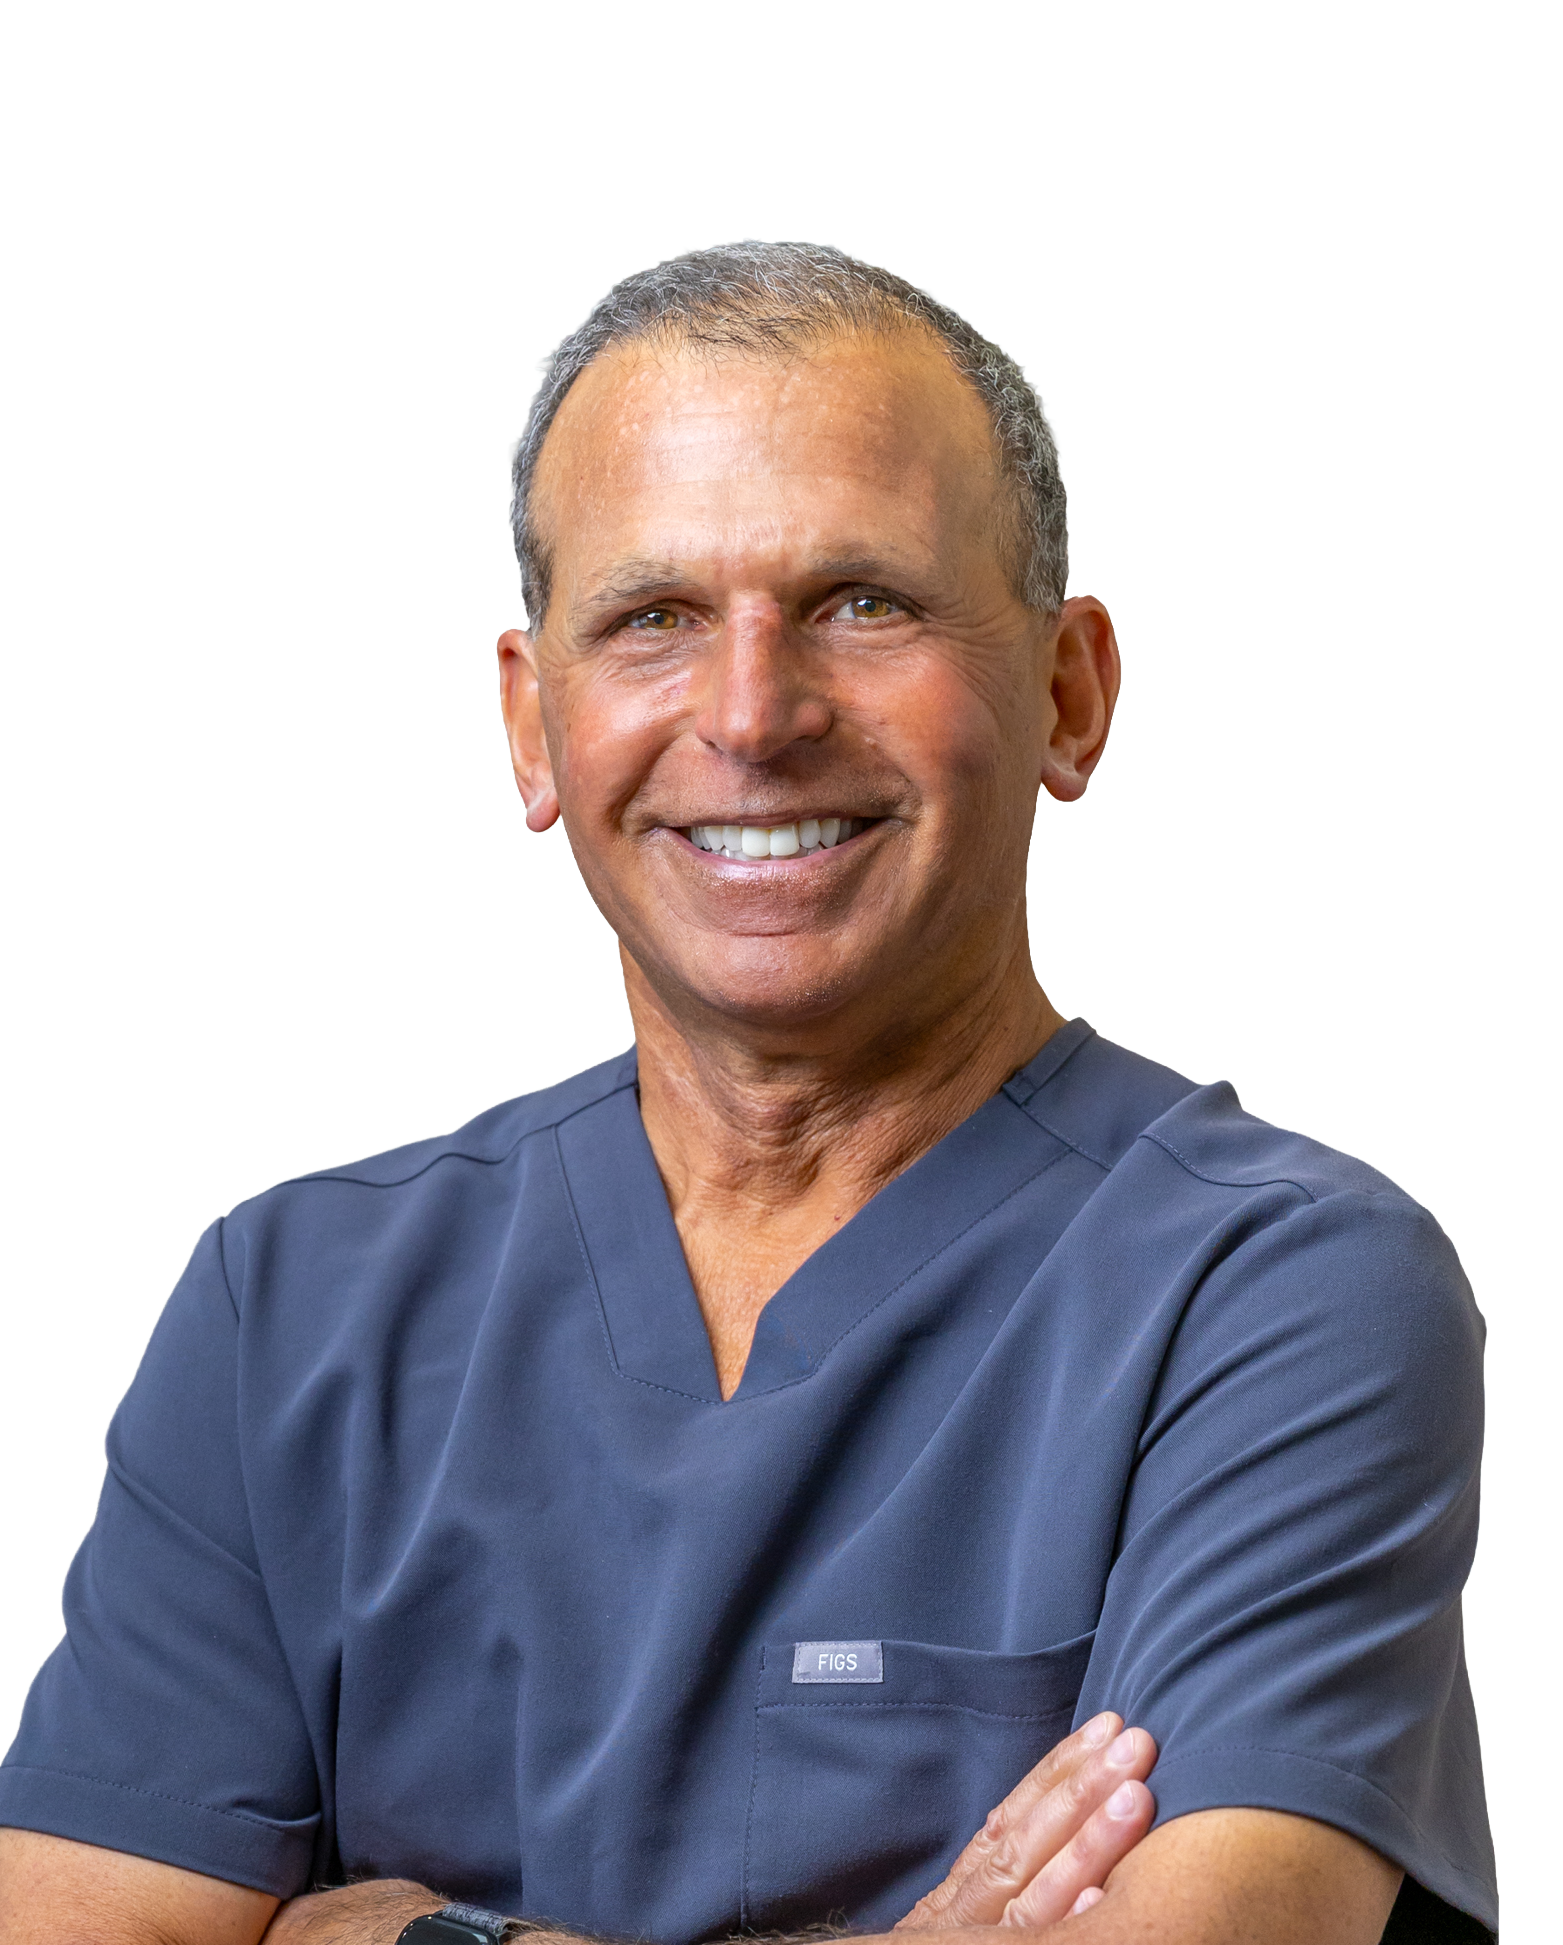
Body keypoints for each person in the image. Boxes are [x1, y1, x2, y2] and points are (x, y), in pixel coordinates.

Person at [0, 244, 1495, 1944]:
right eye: (652, 619)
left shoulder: (1277, 1295)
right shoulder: (290, 1314)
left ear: (1068, 694)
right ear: (535, 728)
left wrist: (413, 1942)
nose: (750, 711)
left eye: (863, 601)